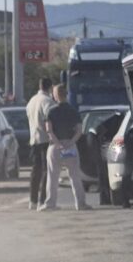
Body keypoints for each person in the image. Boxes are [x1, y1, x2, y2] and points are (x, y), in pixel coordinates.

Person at [41, 84, 91, 211]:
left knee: (52, 177)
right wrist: (70, 143)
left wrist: (58, 143)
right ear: (66, 94)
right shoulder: (73, 111)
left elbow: (49, 130)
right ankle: (80, 203)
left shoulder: (50, 111)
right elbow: (79, 130)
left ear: (55, 96)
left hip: (55, 147)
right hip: (70, 145)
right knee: (75, 176)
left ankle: (50, 204)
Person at [25, 77, 55, 210]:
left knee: (35, 171)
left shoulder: (31, 101)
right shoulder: (48, 101)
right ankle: (42, 200)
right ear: (50, 87)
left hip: (34, 139)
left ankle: (32, 200)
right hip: (45, 140)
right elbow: (50, 119)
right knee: (46, 171)